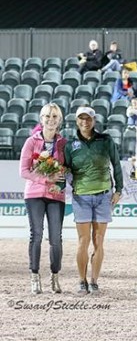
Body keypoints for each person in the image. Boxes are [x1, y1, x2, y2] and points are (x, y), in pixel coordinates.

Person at [64, 106, 123, 294]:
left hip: (104, 196)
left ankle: (94, 281)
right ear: (77, 121)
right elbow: (64, 170)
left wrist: (118, 190)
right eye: (81, 118)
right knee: (83, 240)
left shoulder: (105, 140)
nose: (85, 122)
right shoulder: (69, 145)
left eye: (88, 118)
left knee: (99, 240)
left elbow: (116, 165)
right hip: (81, 196)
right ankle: (82, 281)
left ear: (93, 120)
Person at [19, 103, 67, 294]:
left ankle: (55, 277)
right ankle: (34, 276)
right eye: (47, 116)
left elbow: (68, 169)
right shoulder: (31, 142)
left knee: (56, 238)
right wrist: (45, 178)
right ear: (41, 119)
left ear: (60, 120)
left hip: (56, 195)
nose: (51, 119)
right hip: (34, 194)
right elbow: (23, 171)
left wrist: (63, 176)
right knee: (36, 235)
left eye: (54, 116)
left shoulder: (64, 143)